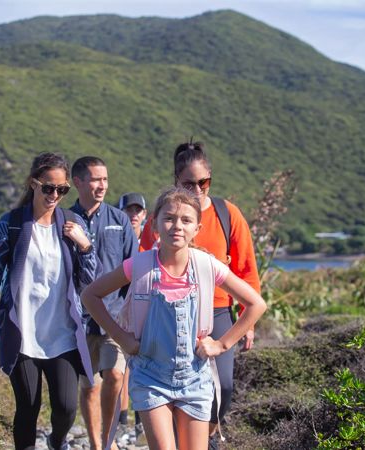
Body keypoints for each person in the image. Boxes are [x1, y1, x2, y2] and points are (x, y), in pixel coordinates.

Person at [81, 186, 267, 450]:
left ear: (197, 229)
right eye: (168, 218)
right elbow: (90, 295)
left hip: (195, 375)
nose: (177, 226)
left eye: (186, 220)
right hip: (150, 376)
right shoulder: (140, 265)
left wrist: (222, 345)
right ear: (154, 224)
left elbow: (256, 304)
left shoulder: (207, 266)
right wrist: (122, 338)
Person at [139, 141, 261, 447]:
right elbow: (142, 264)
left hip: (217, 310)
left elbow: (246, 266)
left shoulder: (227, 214)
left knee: (226, 386)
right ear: (177, 181)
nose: (198, 189)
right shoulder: (164, 217)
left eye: (204, 182)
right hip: (166, 310)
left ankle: (205, 437)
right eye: (190, 183)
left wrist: (249, 323)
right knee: (170, 381)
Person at [0, 152, 99, 450]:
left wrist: (85, 247)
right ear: (33, 184)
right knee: (28, 407)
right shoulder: (12, 225)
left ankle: (57, 442)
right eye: (48, 188)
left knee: (67, 407)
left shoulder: (72, 224)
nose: (54, 195)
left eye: (62, 190)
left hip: (63, 335)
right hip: (22, 334)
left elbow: (89, 280)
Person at [70, 156, 138, 450]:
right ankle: (97, 445)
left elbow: (134, 268)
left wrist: (131, 312)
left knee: (114, 375)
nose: (102, 185)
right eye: (96, 179)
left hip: (114, 316)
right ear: (78, 182)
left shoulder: (119, 219)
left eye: (105, 180)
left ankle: (108, 442)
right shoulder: (65, 219)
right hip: (79, 320)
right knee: (88, 385)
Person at [118, 192, 148, 442]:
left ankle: (141, 422)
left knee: (141, 365)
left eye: (138, 210)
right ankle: (121, 420)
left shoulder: (151, 243)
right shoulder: (116, 239)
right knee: (122, 368)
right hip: (121, 309)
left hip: (146, 311)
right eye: (129, 210)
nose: (134, 214)